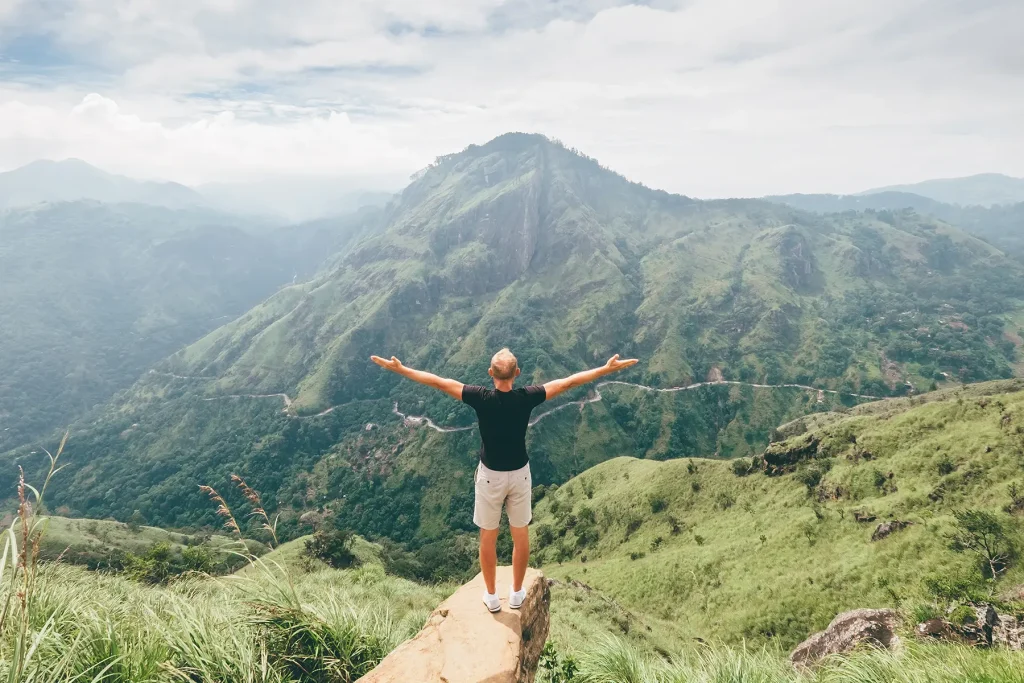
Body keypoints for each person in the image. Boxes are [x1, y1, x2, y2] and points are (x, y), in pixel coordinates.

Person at [370, 348, 638, 612]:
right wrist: (605, 369)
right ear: (517, 373)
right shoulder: (526, 397)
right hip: (520, 475)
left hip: (490, 477)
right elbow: (567, 382)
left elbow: (439, 382)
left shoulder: (480, 398)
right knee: (520, 536)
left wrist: (402, 369)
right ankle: (517, 593)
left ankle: (491, 596)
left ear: (490, 373)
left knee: (488, 537)